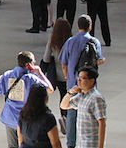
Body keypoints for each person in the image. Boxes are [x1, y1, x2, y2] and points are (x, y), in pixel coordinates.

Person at [0, 51, 54, 148]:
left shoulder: (7, 75)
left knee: (12, 145)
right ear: (29, 65)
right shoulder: (32, 79)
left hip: (10, 118)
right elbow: (50, 89)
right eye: (34, 62)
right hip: (27, 119)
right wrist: (39, 72)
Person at [59, 15, 105, 148]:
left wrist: (68, 77)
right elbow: (97, 60)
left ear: (78, 26)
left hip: (73, 83)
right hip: (89, 84)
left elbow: (63, 63)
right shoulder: (94, 41)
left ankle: (71, 143)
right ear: (90, 26)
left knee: (71, 113)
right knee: (89, 114)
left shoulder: (70, 41)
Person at [60, 67, 107, 148]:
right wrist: (70, 92)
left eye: (83, 78)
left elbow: (102, 123)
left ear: (91, 81)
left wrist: (101, 146)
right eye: (79, 77)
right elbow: (64, 106)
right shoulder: (81, 95)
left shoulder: (96, 98)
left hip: (92, 143)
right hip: (82, 142)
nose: (79, 80)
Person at [42, 18, 72, 129]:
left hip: (58, 76)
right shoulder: (72, 41)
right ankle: (70, 119)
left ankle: (64, 118)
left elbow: (46, 58)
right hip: (71, 75)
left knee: (63, 95)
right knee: (71, 96)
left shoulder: (53, 41)